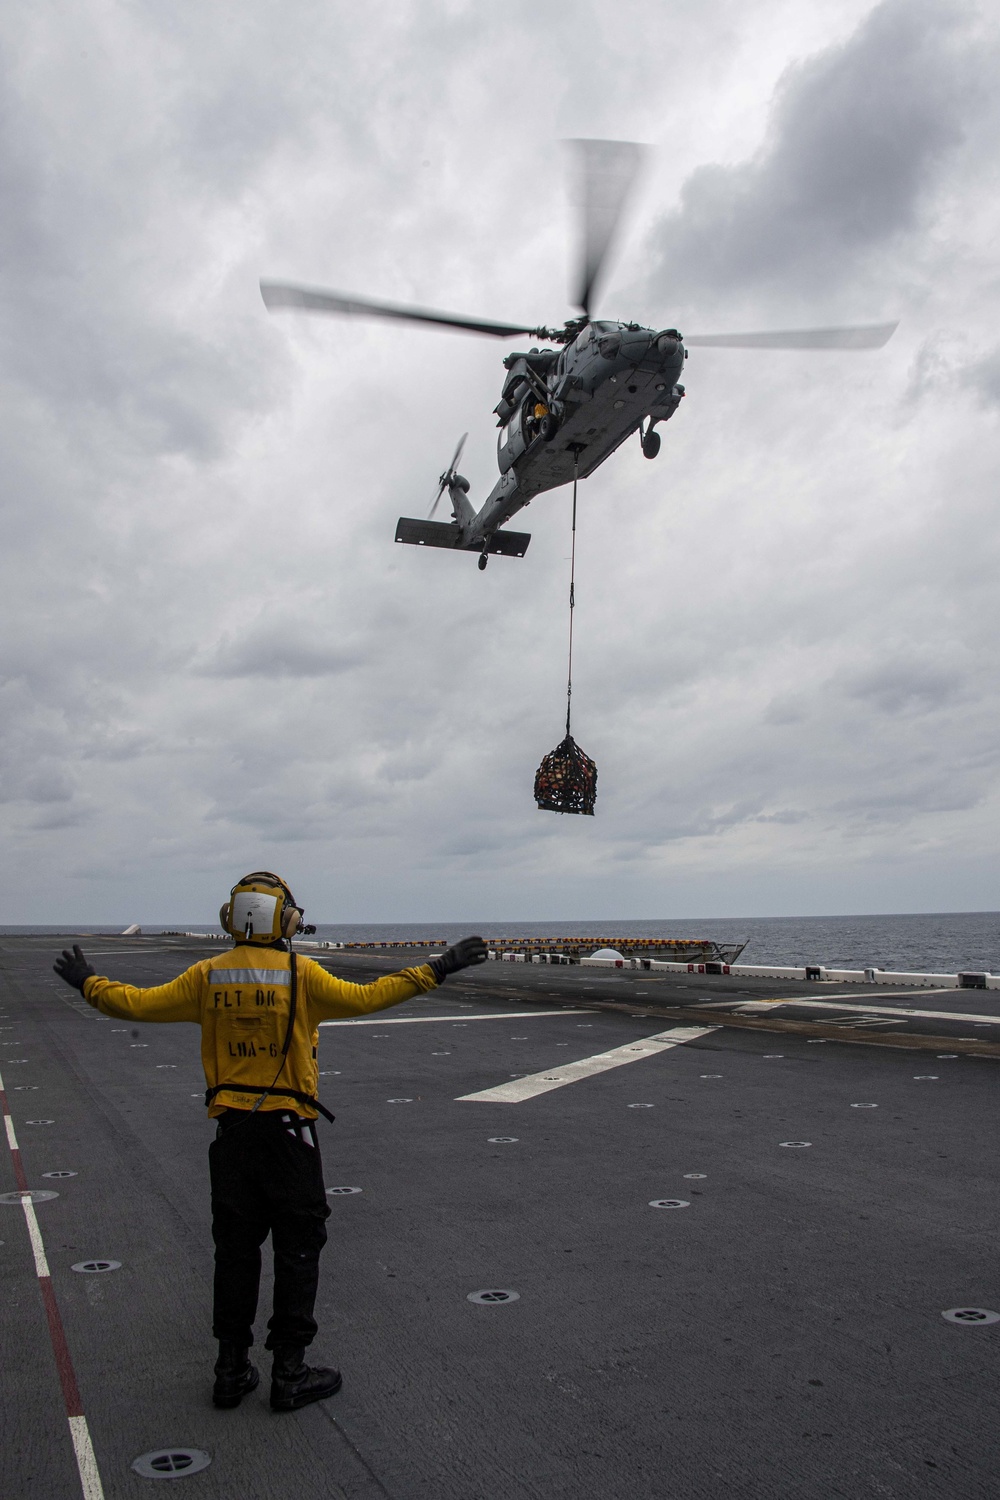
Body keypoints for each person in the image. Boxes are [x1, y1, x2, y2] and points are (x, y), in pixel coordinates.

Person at [53, 871, 486, 1412]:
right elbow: (372, 995)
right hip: (289, 1136)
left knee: (234, 1253)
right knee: (299, 1250)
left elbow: (136, 1005)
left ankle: (231, 1370)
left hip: (231, 1136)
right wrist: (439, 967)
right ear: (286, 920)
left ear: (230, 918)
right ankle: (289, 1372)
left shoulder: (207, 976)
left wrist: (88, 982)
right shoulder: (302, 974)